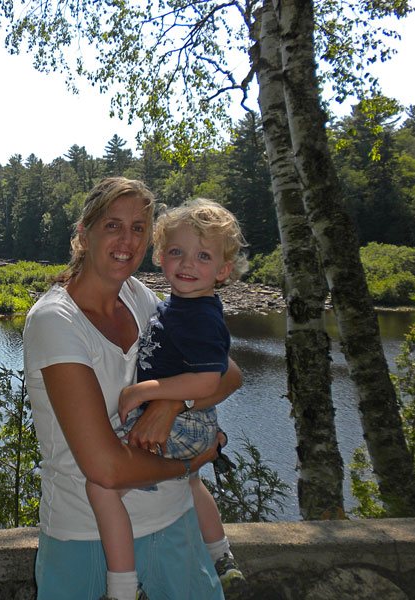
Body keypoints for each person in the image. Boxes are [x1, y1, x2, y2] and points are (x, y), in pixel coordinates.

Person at [23, 178, 242, 600]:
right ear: (84, 234)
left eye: (139, 228)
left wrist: (171, 403)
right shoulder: (56, 321)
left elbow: (229, 375)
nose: (127, 240)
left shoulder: (138, 296)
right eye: (113, 226)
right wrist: (189, 463)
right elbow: (105, 468)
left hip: (175, 524)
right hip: (86, 539)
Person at [85, 198, 249, 598]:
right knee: (192, 482)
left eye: (203, 256)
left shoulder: (200, 315)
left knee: (102, 488)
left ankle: (122, 589)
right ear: (161, 257)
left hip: (183, 426)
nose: (187, 264)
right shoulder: (177, 306)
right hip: (190, 425)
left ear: (223, 270)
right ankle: (223, 558)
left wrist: (144, 392)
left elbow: (209, 380)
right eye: (177, 252)